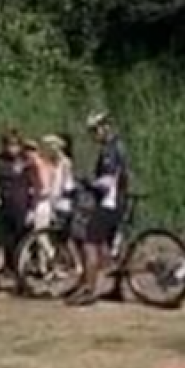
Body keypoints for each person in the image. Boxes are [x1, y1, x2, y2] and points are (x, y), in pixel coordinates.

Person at [71, 111, 131, 306]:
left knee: (89, 243)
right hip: (119, 201)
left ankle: (89, 289)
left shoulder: (109, 150)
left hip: (109, 203)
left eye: (94, 131)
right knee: (108, 247)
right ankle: (117, 287)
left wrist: (88, 183)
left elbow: (107, 181)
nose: (93, 136)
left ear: (103, 128)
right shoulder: (118, 146)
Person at [0, 128, 37, 294]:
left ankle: (21, 281)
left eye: (14, 145)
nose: (11, 148)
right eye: (8, 144)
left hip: (22, 207)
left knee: (20, 245)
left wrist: (32, 209)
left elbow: (34, 187)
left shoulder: (27, 161)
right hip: (4, 206)